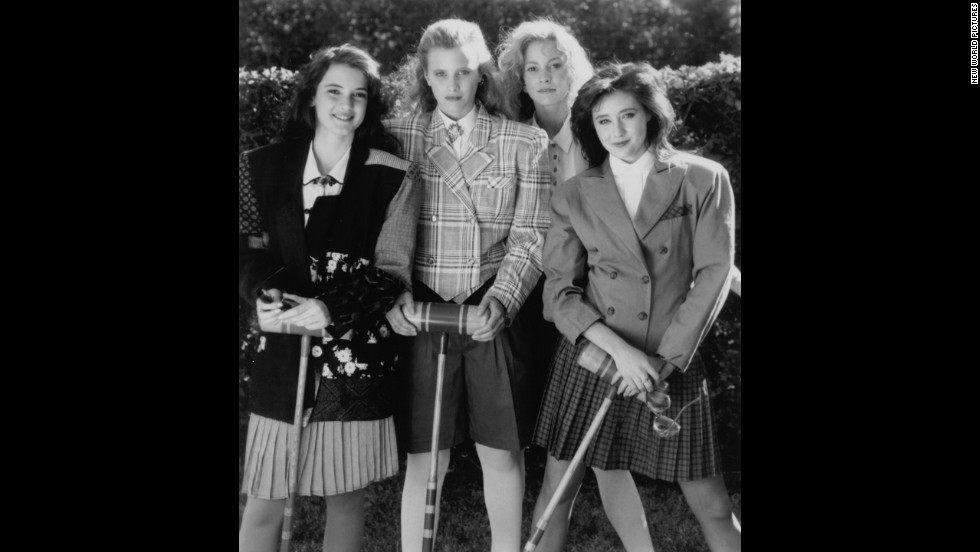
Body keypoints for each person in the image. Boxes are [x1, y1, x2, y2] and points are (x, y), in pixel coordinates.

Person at [531, 62, 742, 552]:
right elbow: (558, 292)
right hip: (594, 359)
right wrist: (620, 355)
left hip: (673, 360)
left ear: (650, 115)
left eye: (628, 116)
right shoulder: (573, 194)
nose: (617, 131)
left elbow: (713, 272)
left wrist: (662, 362)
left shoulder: (702, 179)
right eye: (604, 121)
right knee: (556, 492)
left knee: (712, 504)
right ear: (591, 126)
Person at [238, 44, 421, 552]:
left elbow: (392, 269)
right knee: (265, 498)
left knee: (344, 497)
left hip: (355, 358)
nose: (346, 105)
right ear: (312, 98)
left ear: (369, 106)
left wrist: (332, 308)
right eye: (334, 91)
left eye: (358, 95)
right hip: (283, 350)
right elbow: (248, 246)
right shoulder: (260, 167)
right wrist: (261, 293)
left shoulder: (395, 176)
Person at [383, 18, 550, 552]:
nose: (452, 85)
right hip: (421, 309)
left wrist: (502, 298)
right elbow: (380, 229)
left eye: (464, 73)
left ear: (481, 76)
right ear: (425, 78)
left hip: (490, 305)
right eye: (440, 74)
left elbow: (532, 235)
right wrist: (392, 295)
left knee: (500, 453)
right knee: (423, 456)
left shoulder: (524, 140)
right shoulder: (398, 136)